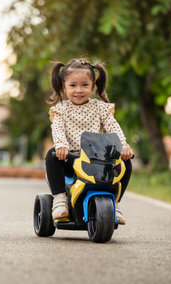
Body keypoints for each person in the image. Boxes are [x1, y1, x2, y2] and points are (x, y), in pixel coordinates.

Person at [45, 58, 133, 225]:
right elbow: (57, 129)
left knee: (126, 162)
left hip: (99, 158)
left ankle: (115, 202)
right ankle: (60, 198)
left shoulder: (101, 108)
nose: (79, 90)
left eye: (84, 85)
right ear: (64, 87)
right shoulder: (61, 109)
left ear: (93, 86)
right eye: (73, 85)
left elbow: (113, 127)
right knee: (52, 155)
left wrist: (124, 146)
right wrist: (61, 145)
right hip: (72, 158)